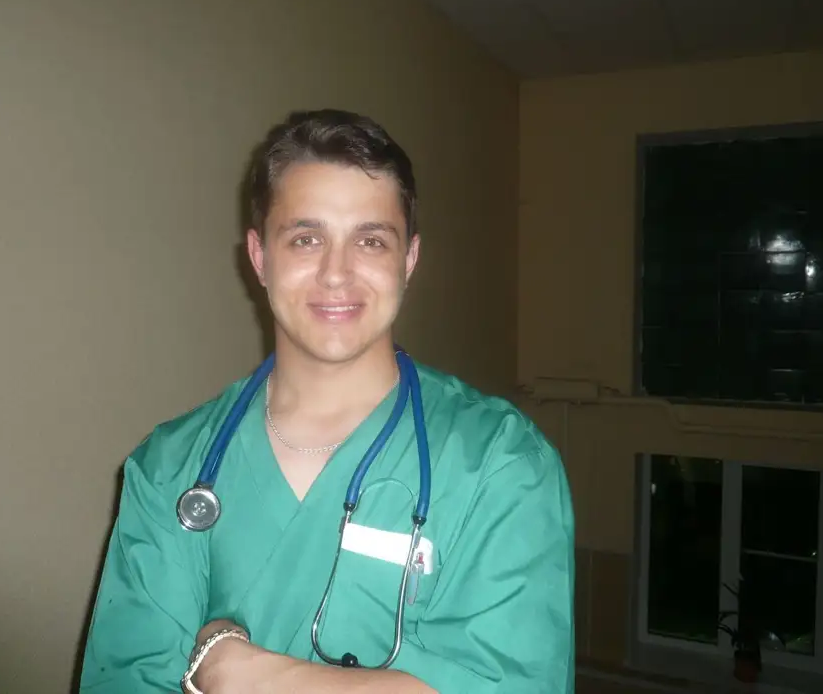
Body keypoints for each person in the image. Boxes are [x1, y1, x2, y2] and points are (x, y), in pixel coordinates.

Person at [78, 109, 575, 693]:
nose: (336, 274)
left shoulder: (500, 463)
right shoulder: (168, 468)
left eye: (371, 240)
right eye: (306, 239)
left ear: (408, 260)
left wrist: (238, 672)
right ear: (260, 257)